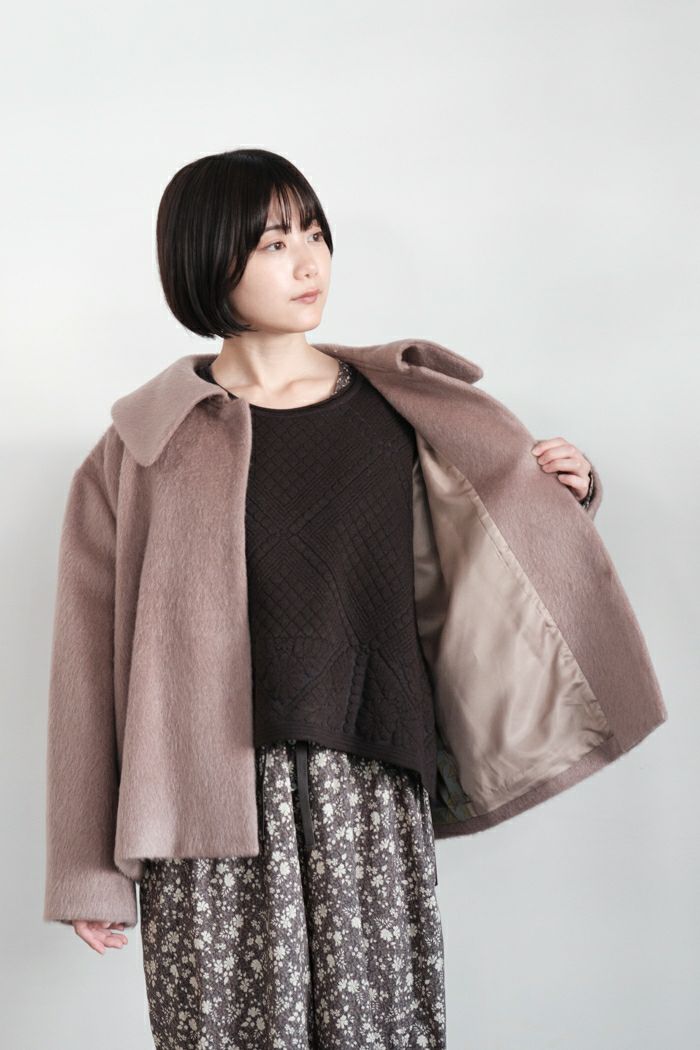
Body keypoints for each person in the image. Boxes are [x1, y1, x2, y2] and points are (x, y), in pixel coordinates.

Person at [45, 148, 628, 1049]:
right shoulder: (141, 447)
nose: (309, 262)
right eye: (275, 243)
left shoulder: (399, 411)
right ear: (207, 261)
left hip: (369, 782)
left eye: (315, 234)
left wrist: (564, 492)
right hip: (203, 805)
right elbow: (85, 669)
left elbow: (475, 547)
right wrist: (87, 869)